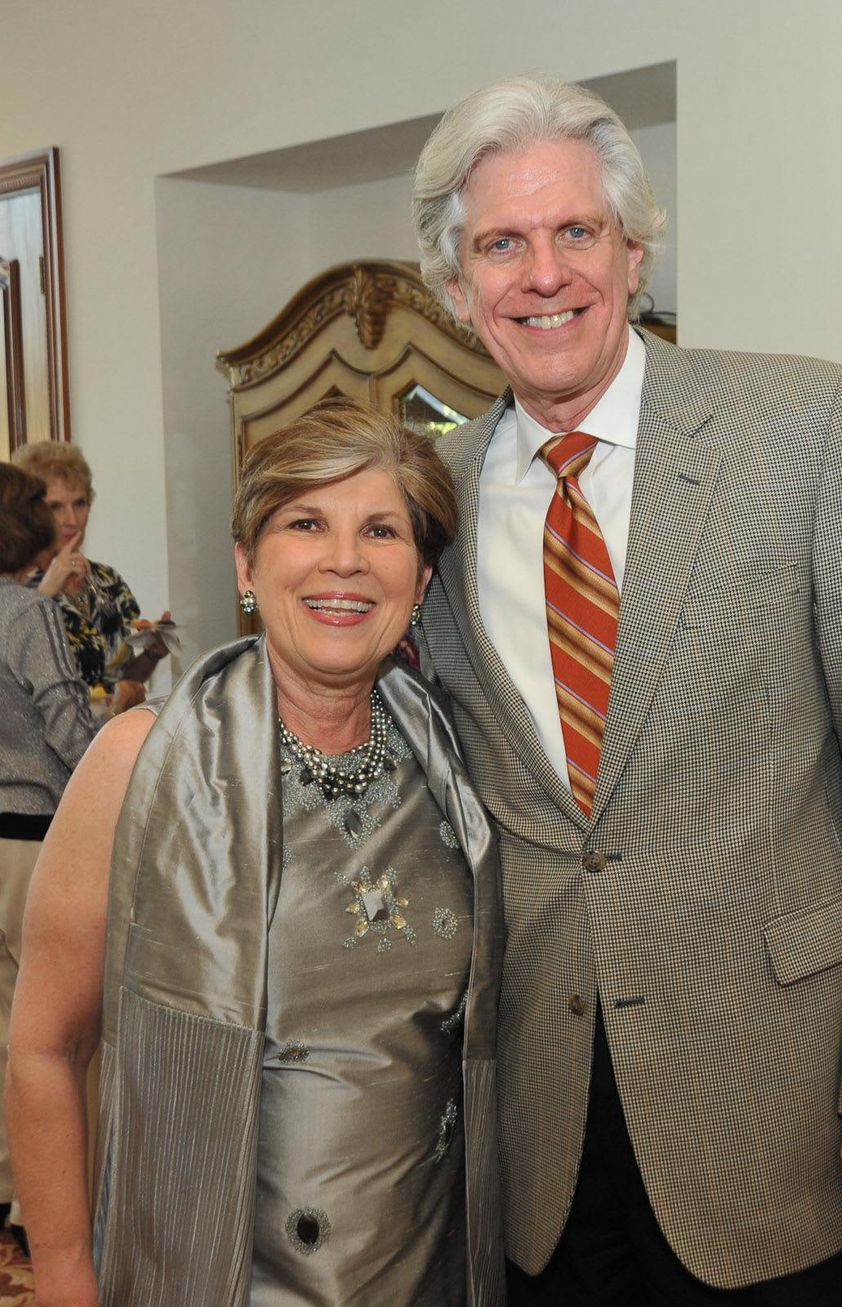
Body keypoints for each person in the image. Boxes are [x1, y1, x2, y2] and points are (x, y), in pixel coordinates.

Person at [411, 75, 842, 1306]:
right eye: (500, 243)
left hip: (777, 1121)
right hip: (541, 1149)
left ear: (633, 249)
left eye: (575, 232)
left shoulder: (805, 423)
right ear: (457, 290)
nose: (543, 273)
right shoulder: (430, 500)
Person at [7, 398, 504, 1307]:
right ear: (247, 562)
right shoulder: (140, 762)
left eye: (382, 530)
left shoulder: (457, 767)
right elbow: (44, 1045)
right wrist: (71, 1278)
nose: (344, 560)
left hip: (428, 1267)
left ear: (422, 580)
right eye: (306, 522)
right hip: (213, 1274)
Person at [0, 464, 98, 1253]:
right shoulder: (28, 613)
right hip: (34, 840)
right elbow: (65, 719)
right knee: (57, 1036)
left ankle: (7, 1186)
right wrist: (120, 763)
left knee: (4, 1028)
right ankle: (45, 1205)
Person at [12, 441, 171, 713]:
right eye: (55, 507)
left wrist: (152, 653)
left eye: (80, 503)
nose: (71, 519)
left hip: (106, 739)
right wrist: (49, 588)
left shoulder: (108, 580)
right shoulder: (15, 585)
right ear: (31, 513)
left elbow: (117, 677)